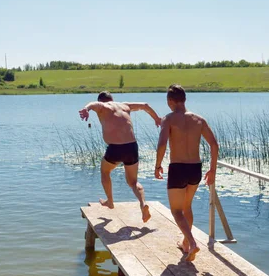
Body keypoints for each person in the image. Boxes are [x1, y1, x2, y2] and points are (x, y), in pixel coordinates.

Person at [154, 84, 219, 262]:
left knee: (176, 211)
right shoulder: (199, 119)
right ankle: (185, 243)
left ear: (170, 101)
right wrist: (212, 170)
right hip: (195, 169)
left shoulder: (168, 119)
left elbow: (162, 144)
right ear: (184, 100)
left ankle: (192, 242)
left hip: (178, 168)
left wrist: (157, 165)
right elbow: (214, 144)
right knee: (186, 207)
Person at [79, 91, 161, 223]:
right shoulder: (124, 105)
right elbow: (145, 105)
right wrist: (156, 118)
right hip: (132, 147)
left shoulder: (103, 106)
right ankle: (143, 203)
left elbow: (94, 104)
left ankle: (110, 201)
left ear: (102, 101)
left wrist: (86, 108)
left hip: (115, 148)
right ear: (112, 99)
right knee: (133, 182)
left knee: (105, 171)